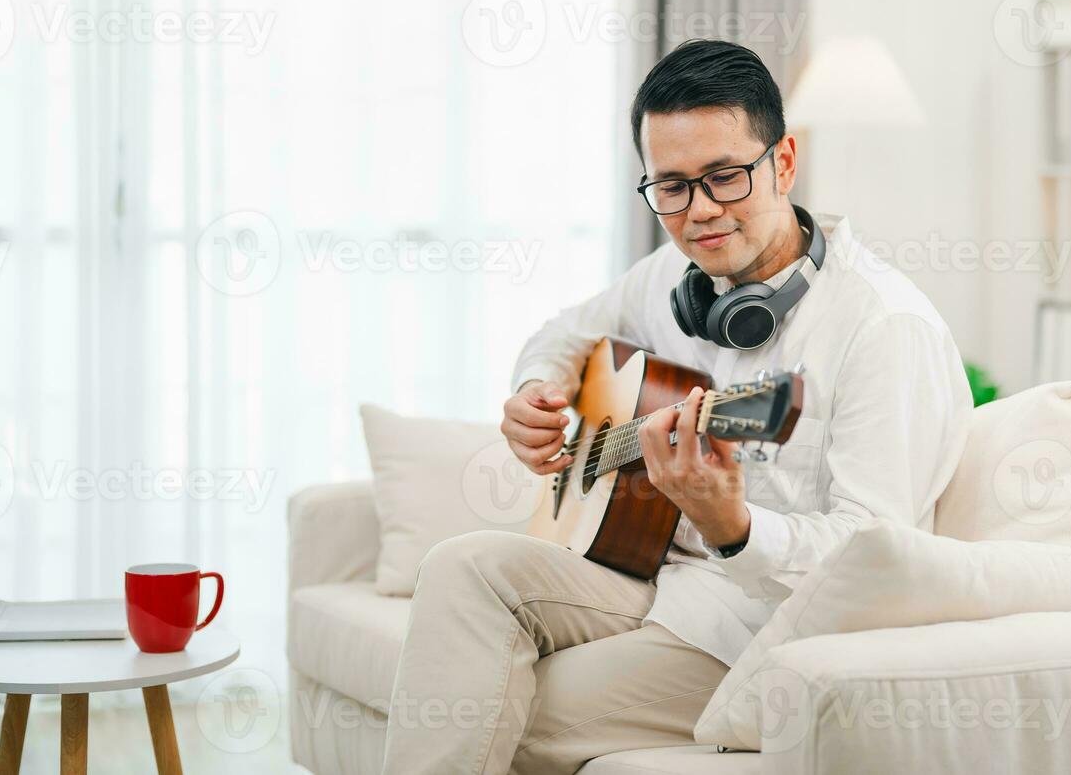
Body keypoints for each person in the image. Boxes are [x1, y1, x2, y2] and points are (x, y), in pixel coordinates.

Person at [380, 39, 972, 774]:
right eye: (672, 187)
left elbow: (876, 562)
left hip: (754, 629)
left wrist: (736, 528)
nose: (699, 213)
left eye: (725, 178)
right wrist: (539, 389)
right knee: (461, 566)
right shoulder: (676, 270)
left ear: (784, 162)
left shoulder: (884, 330)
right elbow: (563, 333)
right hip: (652, 570)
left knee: (493, 717)